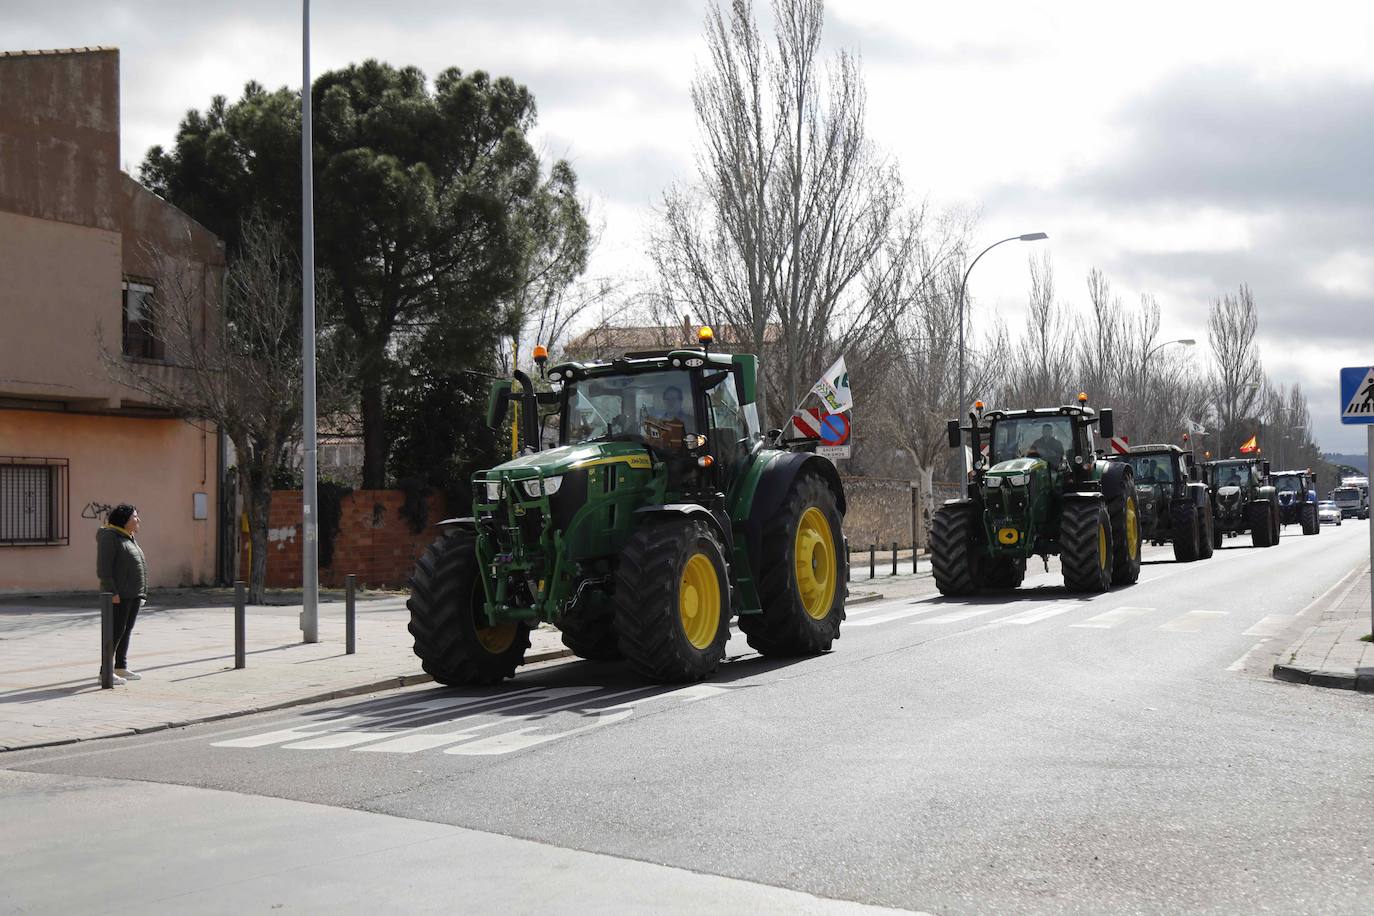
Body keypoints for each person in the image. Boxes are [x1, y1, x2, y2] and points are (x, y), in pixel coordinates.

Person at [96, 504, 148, 684]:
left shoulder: (128, 537)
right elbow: (104, 568)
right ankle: (106, 672)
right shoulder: (110, 537)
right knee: (115, 631)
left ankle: (120, 667)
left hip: (132, 594)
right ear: (124, 520)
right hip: (119, 594)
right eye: (135, 517)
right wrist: (111, 591)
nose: (138, 520)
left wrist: (141, 593)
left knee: (126, 630)